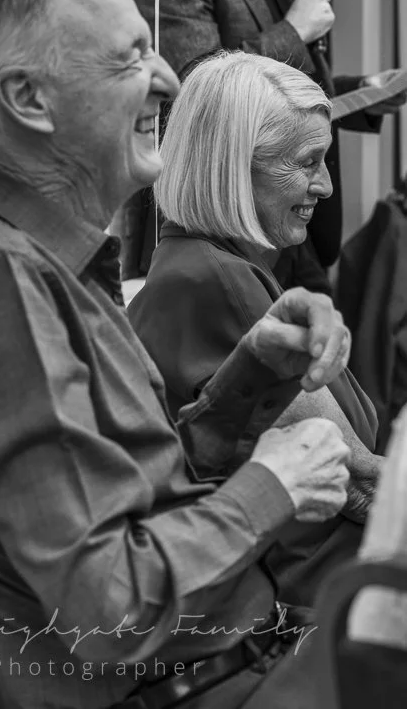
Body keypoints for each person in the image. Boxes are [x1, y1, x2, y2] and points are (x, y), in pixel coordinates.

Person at [0, 0, 352, 709]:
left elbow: (140, 491)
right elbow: (107, 609)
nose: (169, 80)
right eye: (132, 57)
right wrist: (272, 486)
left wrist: (250, 373)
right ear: (28, 98)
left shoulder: (49, 266)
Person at [128, 51, 382, 608]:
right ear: (233, 167)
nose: (326, 187)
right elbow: (358, 487)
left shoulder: (201, 269)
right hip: (320, 604)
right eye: (307, 162)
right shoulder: (218, 282)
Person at [128, 0, 406, 288]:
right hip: (236, 229)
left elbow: (281, 92)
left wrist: (362, 92)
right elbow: (197, 91)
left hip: (297, 231)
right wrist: (294, 28)